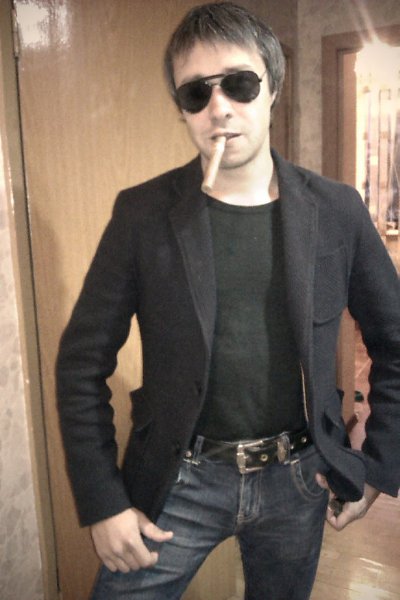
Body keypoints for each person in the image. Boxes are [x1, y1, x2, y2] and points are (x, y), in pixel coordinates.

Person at [56, 2, 400, 599]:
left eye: (240, 84)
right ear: (182, 109)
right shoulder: (142, 215)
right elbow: (81, 363)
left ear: (272, 89)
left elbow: (395, 342)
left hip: (299, 479)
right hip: (176, 480)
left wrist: (378, 466)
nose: (219, 107)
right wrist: (102, 501)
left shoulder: (337, 211)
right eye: (196, 93)